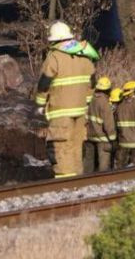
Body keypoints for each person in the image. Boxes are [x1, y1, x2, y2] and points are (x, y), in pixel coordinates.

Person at [34, 21, 99, 178]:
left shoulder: (54, 57)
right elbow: (92, 82)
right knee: (77, 146)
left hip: (60, 111)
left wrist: (40, 104)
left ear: (54, 40)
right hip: (80, 110)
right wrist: (86, 101)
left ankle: (65, 181)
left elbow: (44, 84)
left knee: (61, 145)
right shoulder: (84, 55)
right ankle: (77, 179)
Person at [84, 75, 116, 172]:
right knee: (104, 164)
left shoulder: (91, 99)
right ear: (108, 90)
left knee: (88, 162)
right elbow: (108, 123)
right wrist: (113, 138)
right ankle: (103, 181)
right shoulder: (105, 103)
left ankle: (84, 180)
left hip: (89, 136)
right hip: (102, 138)